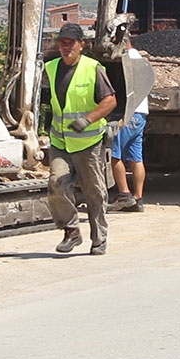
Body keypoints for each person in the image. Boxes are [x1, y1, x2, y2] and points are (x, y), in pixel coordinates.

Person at [44, 23, 117, 255]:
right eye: (62, 43)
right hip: (61, 141)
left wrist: (87, 119)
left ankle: (99, 238)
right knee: (57, 183)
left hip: (88, 142)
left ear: (82, 45)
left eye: (71, 43)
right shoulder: (51, 68)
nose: (66, 47)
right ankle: (72, 231)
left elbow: (110, 101)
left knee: (94, 191)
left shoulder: (93, 68)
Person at [107, 44, 150, 213]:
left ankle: (124, 195)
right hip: (140, 114)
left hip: (128, 112)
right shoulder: (139, 57)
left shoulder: (124, 57)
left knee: (114, 154)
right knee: (136, 158)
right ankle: (138, 198)